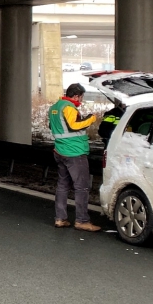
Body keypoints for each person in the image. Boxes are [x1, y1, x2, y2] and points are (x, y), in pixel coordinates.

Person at [48, 83, 101, 232]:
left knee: (63, 185)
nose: (82, 100)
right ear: (76, 96)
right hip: (74, 152)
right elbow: (74, 126)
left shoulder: (54, 108)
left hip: (60, 151)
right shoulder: (69, 107)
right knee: (82, 187)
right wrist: (90, 119)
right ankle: (82, 220)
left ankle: (60, 218)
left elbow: (52, 127)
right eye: (82, 97)